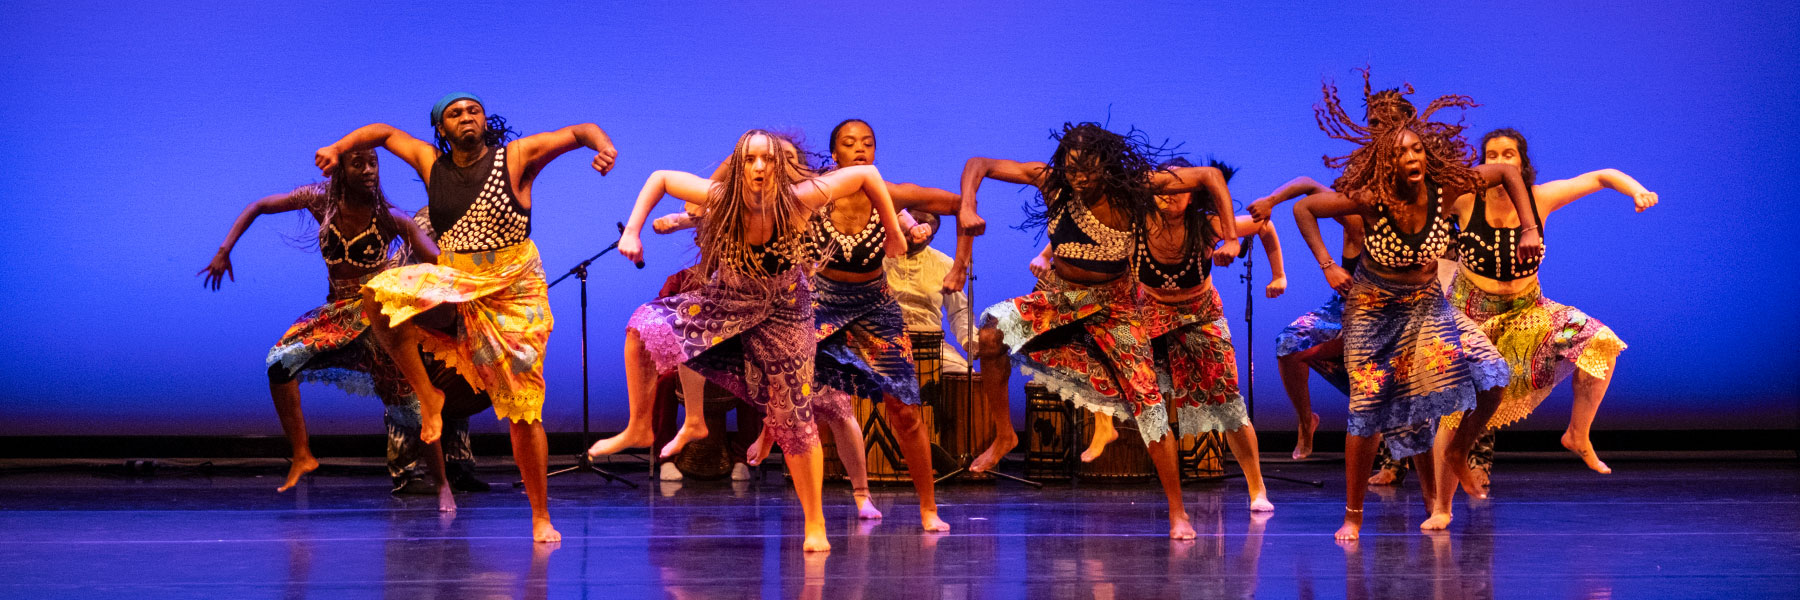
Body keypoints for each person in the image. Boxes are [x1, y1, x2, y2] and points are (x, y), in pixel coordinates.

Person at [314, 92, 619, 543]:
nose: (466, 117)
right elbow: (382, 134)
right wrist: (340, 148)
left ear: (484, 119)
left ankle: (540, 516)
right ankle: (429, 397)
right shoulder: (430, 163)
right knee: (378, 298)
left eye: (473, 110)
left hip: (514, 289)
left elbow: (577, 132)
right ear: (442, 129)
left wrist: (603, 146)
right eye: (455, 114)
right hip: (458, 281)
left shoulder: (513, 157)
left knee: (523, 413)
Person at [602, 129, 904, 553]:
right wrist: (632, 231)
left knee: (797, 422)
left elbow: (868, 175)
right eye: (751, 160)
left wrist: (892, 231)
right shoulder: (721, 197)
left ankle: (814, 523)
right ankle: (639, 427)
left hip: (786, 312)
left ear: (781, 167)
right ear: (739, 164)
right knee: (645, 325)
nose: (760, 167)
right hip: (730, 301)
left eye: (769, 160)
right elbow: (660, 178)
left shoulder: (802, 197)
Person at [958, 123, 1240, 538]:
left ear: (1106, 165)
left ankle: (1177, 511)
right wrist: (968, 205)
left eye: (1087, 169)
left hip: (1116, 305)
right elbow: (979, 163)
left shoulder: (1134, 188)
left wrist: (1231, 236)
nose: (1079, 178)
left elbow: (1210, 177)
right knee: (990, 336)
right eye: (1072, 169)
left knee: (1149, 405)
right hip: (1061, 297)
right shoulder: (1052, 183)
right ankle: (1004, 435)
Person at [1290, 70, 1534, 539]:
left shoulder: (1447, 189)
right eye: (1400, 152)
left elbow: (1505, 171)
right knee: (1368, 410)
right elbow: (1304, 208)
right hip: (1372, 311)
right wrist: (1327, 265)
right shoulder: (1369, 199)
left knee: (1494, 376)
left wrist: (1529, 228)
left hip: (1427, 306)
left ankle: (1458, 451)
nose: (1411, 156)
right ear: (1387, 161)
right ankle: (1354, 515)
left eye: (1416, 148)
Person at [199, 149, 471, 501]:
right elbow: (259, 206)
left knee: (413, 407)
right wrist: (224, 250)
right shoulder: (320, 201)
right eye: (359, 164)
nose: (369, 170)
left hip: (379, 318)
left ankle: (443, 485)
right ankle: (302, 454)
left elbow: (436, 259)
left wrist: (470, 285)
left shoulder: (390, 218)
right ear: (341, 171)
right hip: (337, 314)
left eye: (373, 163)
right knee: (280, 363)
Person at [1438, 127, 1656, 492]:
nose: (1500, 161)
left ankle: (1577, 433)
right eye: (1492, 155)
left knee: (1596, 341)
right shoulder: (1465, 199)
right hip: (1470, 321)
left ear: (1522, 162)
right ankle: (1443, 506)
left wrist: (1636, 190)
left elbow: (1601, 177)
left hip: (1528, 316)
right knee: (1454, 412)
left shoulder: (1541, 199)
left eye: (1508, 154)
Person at [1081, 157, 1285, 515]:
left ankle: (1257, 487)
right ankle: (1104, 426)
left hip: (1200, 314)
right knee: (1103, 347)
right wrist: (1046, 254)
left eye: (1181, 189)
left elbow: (1264, 226)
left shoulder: (1208, 227)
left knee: (1228, 404)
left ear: (1193, 196)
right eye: (1164, 188)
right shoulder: (1136, 224)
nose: (1170, 195)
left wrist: (1278, 275)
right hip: (1152, 310)